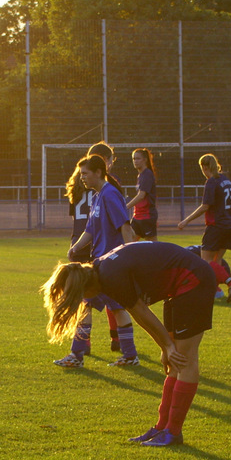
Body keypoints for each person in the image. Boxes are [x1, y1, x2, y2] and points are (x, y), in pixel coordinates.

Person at [42, 241, 216, 446]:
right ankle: (163, 427)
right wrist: (165, 347)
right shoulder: (102, 270)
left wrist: (168, 346)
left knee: (185, 359)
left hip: (194, 279)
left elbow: (140, 312)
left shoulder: (110, 277)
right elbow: (140, 313)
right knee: (175, 359)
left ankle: (173, 432)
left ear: (85, 288)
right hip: (179, 286)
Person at [54, 154, 139, 368]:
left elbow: (125, 226)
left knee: (90, 304)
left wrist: (130, 256)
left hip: (112, 264)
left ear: (98, 172)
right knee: (111, 307)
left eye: (85, 173)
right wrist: (75, 247)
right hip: (101, 262)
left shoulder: (110, 194)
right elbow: (90, 229)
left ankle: (77, 355)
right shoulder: (98, 195)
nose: (82, 177)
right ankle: (129, 356)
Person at [65, 141, 126, 352]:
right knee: (112, 297)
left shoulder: (75, 182)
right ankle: (117, 339)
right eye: (110, 160)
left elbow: (75, 215)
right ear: (104, 161)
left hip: (81, 240)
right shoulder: (107, 184)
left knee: (85, 298)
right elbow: (119, 218)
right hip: (99, 243)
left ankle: (84, 344)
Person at [177, 153, 231, 294]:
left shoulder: (211, 182)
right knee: (217, 260)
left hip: (216, 226)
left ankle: (230, 282)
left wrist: (186, 220)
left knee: (206, 261)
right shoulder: (225, 180)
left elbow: (205, 206)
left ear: (204, 167)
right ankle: (215, 290)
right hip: (229, 225)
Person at [126, 148, 158, 241]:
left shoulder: (147, 174)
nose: (135, 161)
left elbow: (141, 195)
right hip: (137, 216)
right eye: (134, 159)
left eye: (138, 158)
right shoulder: (140, 175)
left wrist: (126, 206)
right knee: (129, 242)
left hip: (146, 216)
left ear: (145, 160)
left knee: (152, 245)